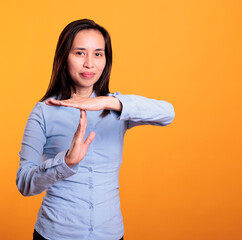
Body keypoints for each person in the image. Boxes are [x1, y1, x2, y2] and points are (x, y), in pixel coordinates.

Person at [16, 19, 175, 240]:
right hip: (55, 233)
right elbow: (24, 182)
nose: (90, 63)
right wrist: (66, 162)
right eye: (80, 53)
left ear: (106, 60)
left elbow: (168, 114)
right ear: (64, 59)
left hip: (110, 233)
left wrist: (110, 102)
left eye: (98, 54)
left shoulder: (117, 109)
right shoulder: (43, 111)